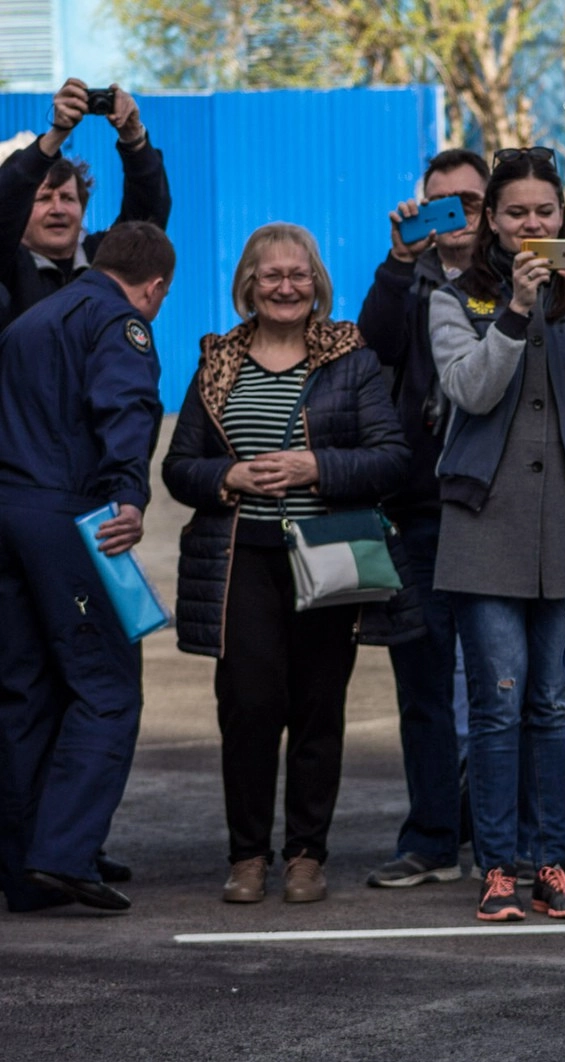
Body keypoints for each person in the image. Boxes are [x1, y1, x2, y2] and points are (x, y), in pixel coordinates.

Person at [162, 223, 411, 905]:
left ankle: (306, 855)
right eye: (271, 275)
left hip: (326, 554)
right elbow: (179, 466)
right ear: (249, 285)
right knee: (248, 706)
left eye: (298, 274)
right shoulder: (218, 360)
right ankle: (247, 855)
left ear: (317, 283)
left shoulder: (350, 359)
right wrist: (228, 477)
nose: (286, 286)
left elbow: (391, 457)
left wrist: (315, 466)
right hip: (243, 558)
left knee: (317, 707)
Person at [429, 146, 565, 923]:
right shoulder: (454, 298)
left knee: (551, 705)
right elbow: (471, 391)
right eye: (515, 212)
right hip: (483, 525)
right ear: (491, 219)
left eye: (544, 211)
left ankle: (552, 863)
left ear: (563, 216)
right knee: (497, 703)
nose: (531, 224)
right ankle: (497, 869)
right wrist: (515, 310)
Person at [0, 222, 173, 913]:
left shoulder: (32, 320)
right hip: (68, 519)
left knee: (26, 691)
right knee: (107, 687)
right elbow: (126, 407)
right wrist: (129, 494)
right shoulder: (119, 323)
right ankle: (64, 854)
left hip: (9, 516)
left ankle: (23, 869)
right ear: (154, 287)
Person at [356, 147, 490, 890]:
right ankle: (433, 837)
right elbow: (370, 346)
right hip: (417, 506)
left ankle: (501, 838)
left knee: (509, 687)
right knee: (424, 684)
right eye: (442, 203)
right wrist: (398, 260)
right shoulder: (407, 279)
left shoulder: (511, 280)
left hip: (500, 509)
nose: (457, 216)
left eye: (470, 202)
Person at [0, 79, 171, 333]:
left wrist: (134, 138)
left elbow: (148, 218)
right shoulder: (8, 266)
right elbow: (7, 197)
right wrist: (57, 134)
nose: (57, 209)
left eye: (68, 198)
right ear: (23, 207)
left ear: (83, 208)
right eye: (44, 198)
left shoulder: (106, 259)